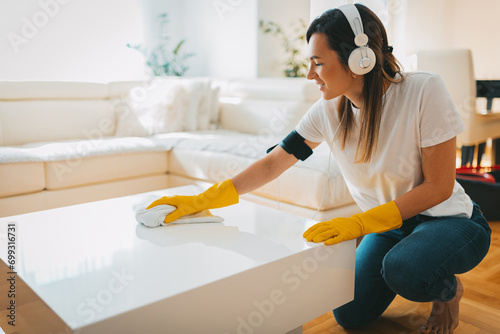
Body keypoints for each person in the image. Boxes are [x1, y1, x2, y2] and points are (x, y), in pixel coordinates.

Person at [146, 3, 491, 334]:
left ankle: (447, 291)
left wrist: (359, 223)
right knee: (350, 315)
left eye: (318, 63)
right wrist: (203, 200)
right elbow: (272, 164)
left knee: (404, 269)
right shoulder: (328, 110)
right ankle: (415, 263)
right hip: (389, 227)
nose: (310, 74)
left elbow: (439, 188)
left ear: (360, 59)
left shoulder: (423, 90)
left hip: (447, 221)